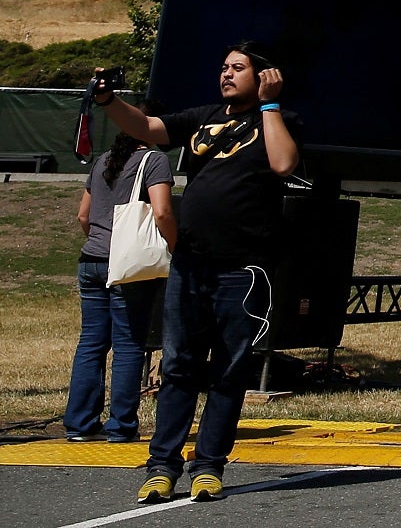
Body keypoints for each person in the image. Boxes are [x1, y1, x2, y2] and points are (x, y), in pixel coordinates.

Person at [92, 41, 301, 503]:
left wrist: (270, 103)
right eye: (223, 66)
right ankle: (162, 466)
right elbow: (145, 126)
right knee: (181, 368)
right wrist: (109, 100)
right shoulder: (203, 116)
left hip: (243, 271)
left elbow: (283, 164)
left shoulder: (278, 121)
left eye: (238, 68)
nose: (226, 74)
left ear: (264, 75)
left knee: (228, 372)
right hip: (191, 265)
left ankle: (208, 468)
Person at [65, 133, 176, 442]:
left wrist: (99, 240)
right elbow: (163, 211)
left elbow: (83, 215)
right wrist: (175, 246)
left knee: (91, 342)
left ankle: (79, 424)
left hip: (91, 261)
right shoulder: (154, 161)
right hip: (128, 265)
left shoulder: (102, 160)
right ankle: (121, 425)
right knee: (128, 344)